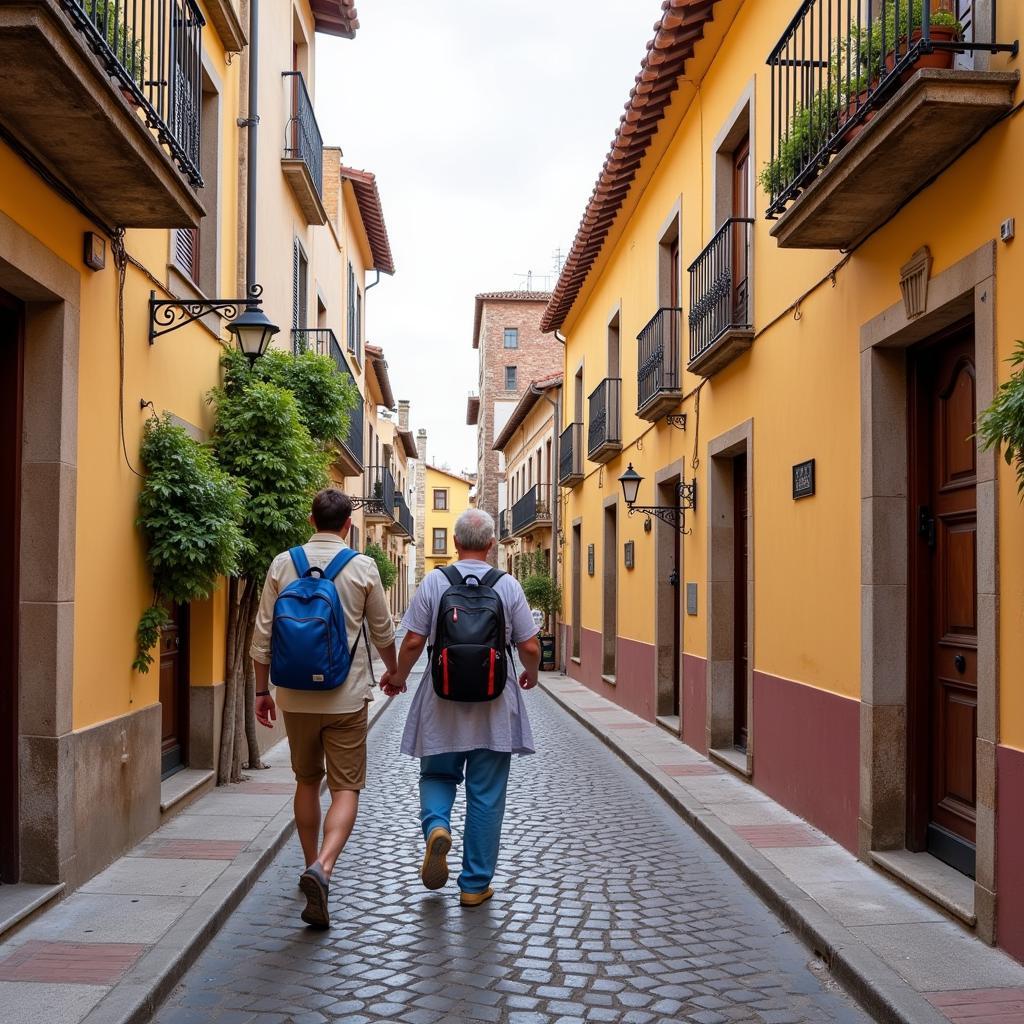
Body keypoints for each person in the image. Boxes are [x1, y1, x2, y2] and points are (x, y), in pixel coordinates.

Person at [251, 487, 398, 928]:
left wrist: (262, 693)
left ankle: (310, 860)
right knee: (346, 787)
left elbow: (261, 639)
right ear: (348, 526)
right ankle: (325, 867)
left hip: (294, 696)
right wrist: (394, 673)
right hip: (347, 696)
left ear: (311, 521)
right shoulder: (363, 566)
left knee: (305, 780)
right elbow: (384, 634)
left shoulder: (282, 563)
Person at [381, 507, 541, 907]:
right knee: (486, 794)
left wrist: (398, 677)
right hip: (495, 702)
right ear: (490, 545)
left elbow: (415, 642)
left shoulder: (435, 582)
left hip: (441, 696)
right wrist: (531, 673)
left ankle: (437, 827)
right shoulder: (508, 586)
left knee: (437, 775)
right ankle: (473, 885)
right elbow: (531, 646)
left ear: (455, 543)